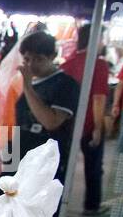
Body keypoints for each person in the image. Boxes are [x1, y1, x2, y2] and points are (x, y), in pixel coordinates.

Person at [5, 30, 79, 187]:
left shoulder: (65, 84)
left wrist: (27, 86)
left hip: (44, 163)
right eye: (27, 59)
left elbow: (51, 122)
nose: (31, 64)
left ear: (52, 56)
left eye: (38, 59)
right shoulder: (30, 83)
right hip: (17, 157)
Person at [61, 22, 110, 215]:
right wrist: (98, 126)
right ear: (95, 38)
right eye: (102, 38)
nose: (103, 42)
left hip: (67, 126)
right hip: (89, 124)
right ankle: (91, 206)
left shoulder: (67, 63)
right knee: (94, 168)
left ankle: (55, 204)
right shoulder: (98, 64)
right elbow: (98, 98)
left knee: (63, 167)